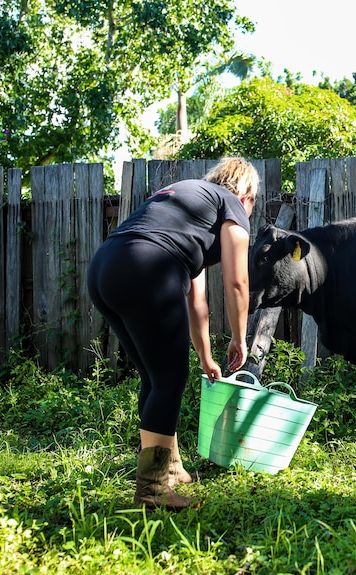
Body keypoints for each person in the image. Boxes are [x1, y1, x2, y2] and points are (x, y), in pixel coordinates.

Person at [87, 156, 259, 509]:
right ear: (248, 196)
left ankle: (171, 469)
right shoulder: (232, 206)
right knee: (169, 379)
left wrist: (206, 356)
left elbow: (197, 301)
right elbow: (238, 282)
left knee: (155, 377)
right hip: (147, 267)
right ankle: (152, 490)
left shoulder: (188, 204)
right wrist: (241, 339)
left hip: (106, 266)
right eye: (252, 204)